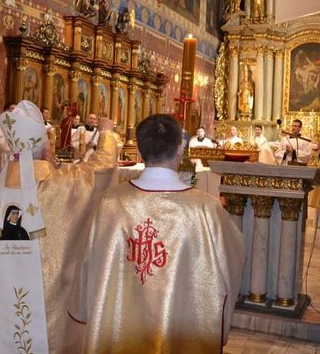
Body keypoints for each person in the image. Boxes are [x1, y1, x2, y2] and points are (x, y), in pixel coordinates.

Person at [68, 114, 245, 352]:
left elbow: (88, 264)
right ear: (180, 149)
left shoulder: (110, 204)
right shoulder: (205, 209)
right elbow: (231, 260)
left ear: (140, 153)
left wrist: (84, 305)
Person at [0, 101, 118, 354]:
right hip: (46, 309)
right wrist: (106, 134)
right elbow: (99, 170)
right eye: (48, 143)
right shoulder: (57, 185)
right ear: (44, 148)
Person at [0, 102, 16, 174]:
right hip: (6, 153)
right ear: (7, 110)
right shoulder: (1, 121)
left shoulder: (17, 122)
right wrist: (11, 150)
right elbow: (0, 139)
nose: (15, 111)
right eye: (12, 108)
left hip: (16, 154)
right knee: (4, 176)